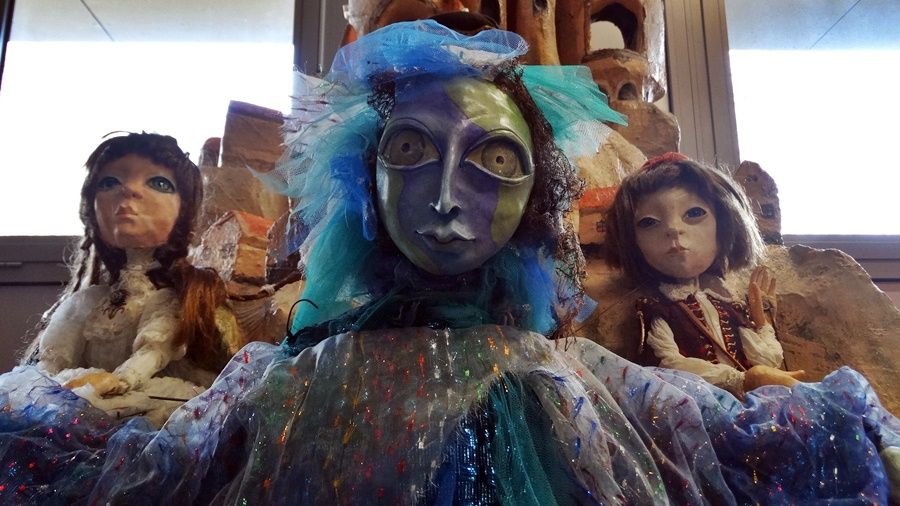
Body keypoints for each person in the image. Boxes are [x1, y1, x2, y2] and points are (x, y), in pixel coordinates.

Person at [1, 20, 897, 505]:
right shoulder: (291, 377)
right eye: (410, 153)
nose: (442, 199)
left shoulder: (564, 370)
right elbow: (155, 467)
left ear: (535, 195)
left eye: (494, 161)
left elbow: (707, 426)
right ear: (367, 182)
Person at [14, 132, 236, 424]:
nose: (128, 190)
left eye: (158, 183)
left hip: (157, 411)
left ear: (184, 210)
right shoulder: (86, 302)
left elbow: (149, 360)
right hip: (84, 407)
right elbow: (50, 367)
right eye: (109, 182)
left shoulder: (178, 300)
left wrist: (120, 383)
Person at [604, 152, 805, 397]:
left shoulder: (729, 306)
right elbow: (669, 365)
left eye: (694, 213)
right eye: (649, 222)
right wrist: (742, 380)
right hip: (697, 407)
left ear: (726, 222)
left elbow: (767, 359)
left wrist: (761, 320)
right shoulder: (657, 309)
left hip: (751, 403)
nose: (674, 229)